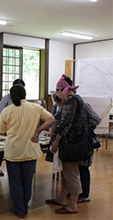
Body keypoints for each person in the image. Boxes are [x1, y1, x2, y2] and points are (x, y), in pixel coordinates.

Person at [0, 84, 54, 218]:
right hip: (30, 150)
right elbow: (52, 119)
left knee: (15, 181)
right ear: (25, 95)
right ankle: (24, 206)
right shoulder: (35, 107)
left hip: (13, 151)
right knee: (27, 181)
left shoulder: (6, 111)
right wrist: (38, 131)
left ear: (10, 97)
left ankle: (19, 209)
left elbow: (1, 133)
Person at [45, 74, 90, 214]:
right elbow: (56, 117)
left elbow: (65, 124)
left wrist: (56, 141)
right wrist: (40, 128)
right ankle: (61, 198)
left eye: (57, 91)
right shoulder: (77, 99)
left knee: (72, 174)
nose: (58, 95)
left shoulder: (70, 101)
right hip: (78, 142)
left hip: (72, 144)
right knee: (67, 173)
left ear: (62, 90)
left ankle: (72, 205)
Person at [0, 79, 25, 176]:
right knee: (2, 148)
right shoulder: (6, 98)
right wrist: (3, 127)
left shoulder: (24, 100)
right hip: (6, 128)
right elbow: (1, 113)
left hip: (19, 129)